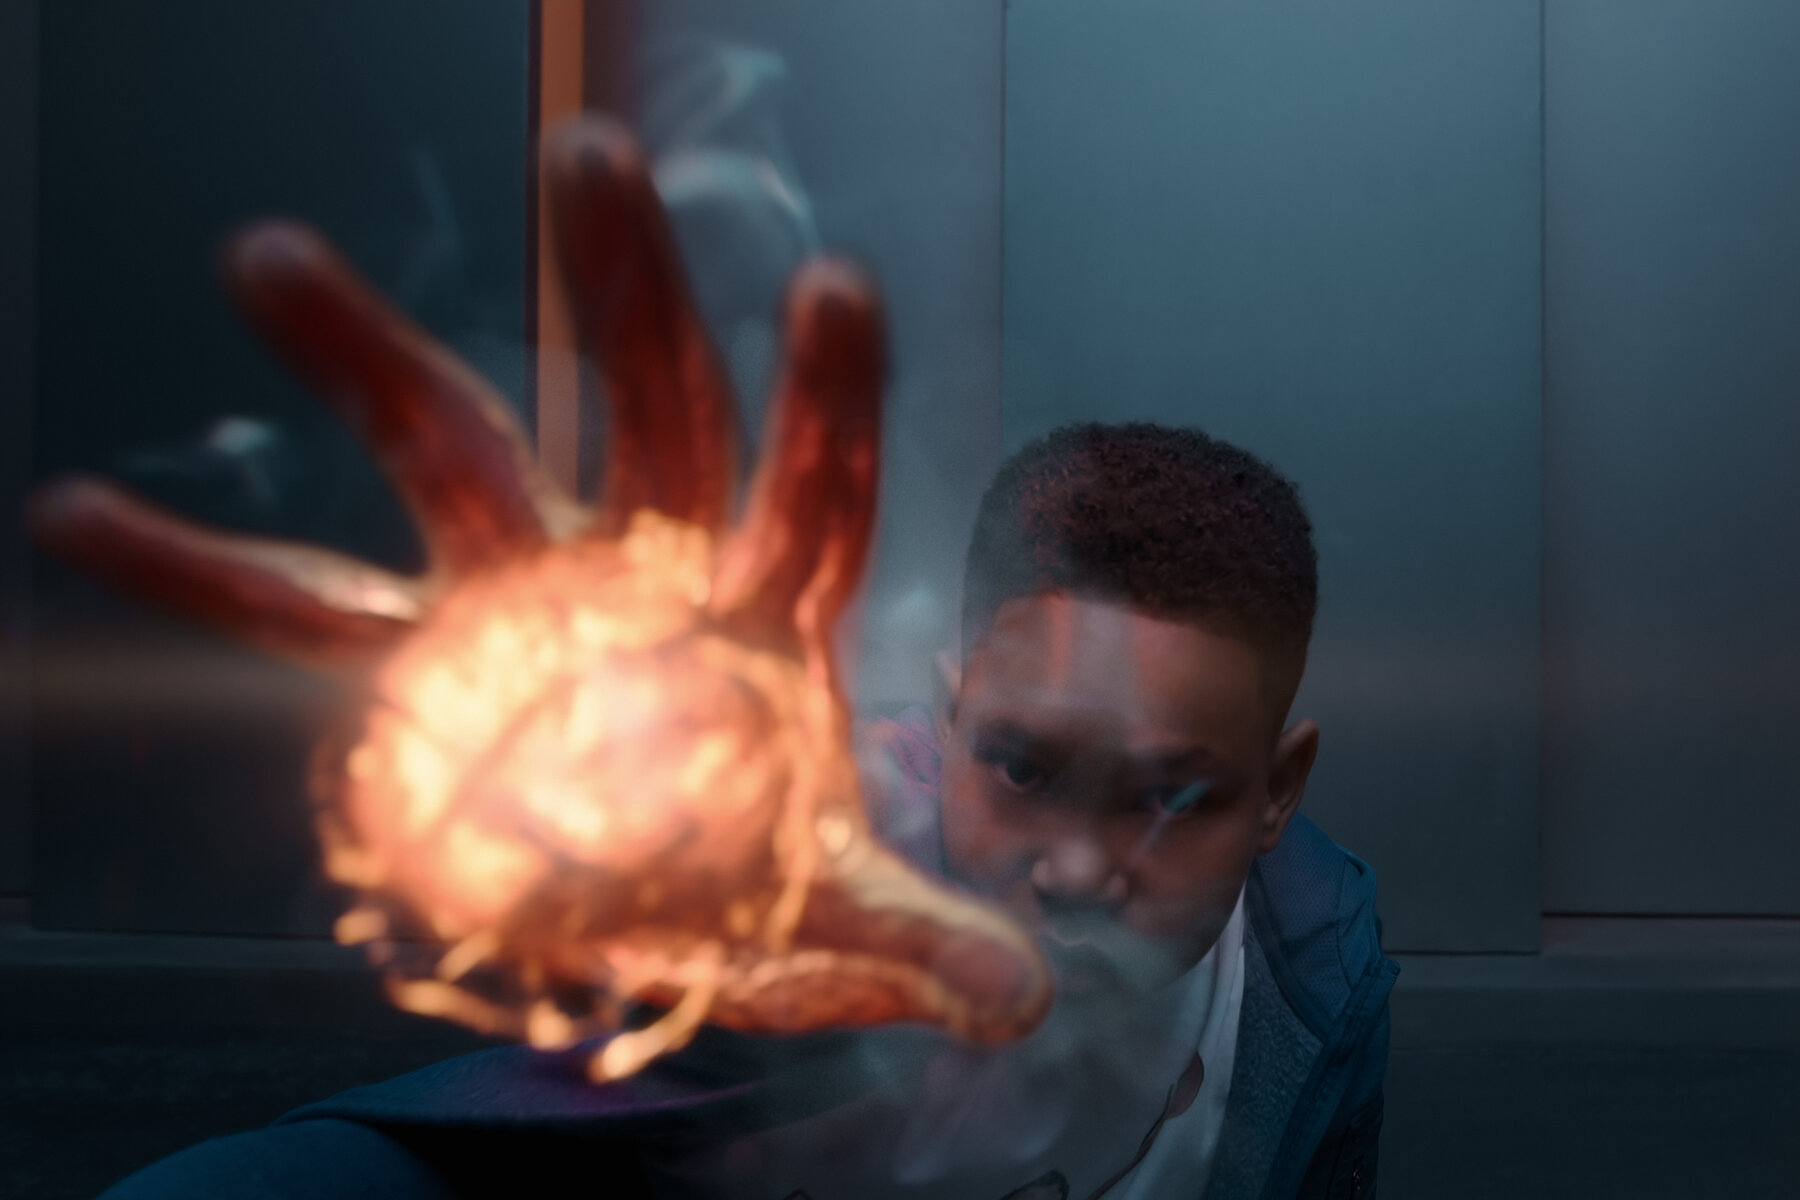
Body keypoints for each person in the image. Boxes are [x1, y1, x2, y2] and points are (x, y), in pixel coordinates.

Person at [75, 119, 1396, 1200]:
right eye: (1024, 767)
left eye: (1173, 796)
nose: (1080, 867)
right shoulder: (829, 867)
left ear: (1281, 790)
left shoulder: (1320, 970)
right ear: (950, 710)